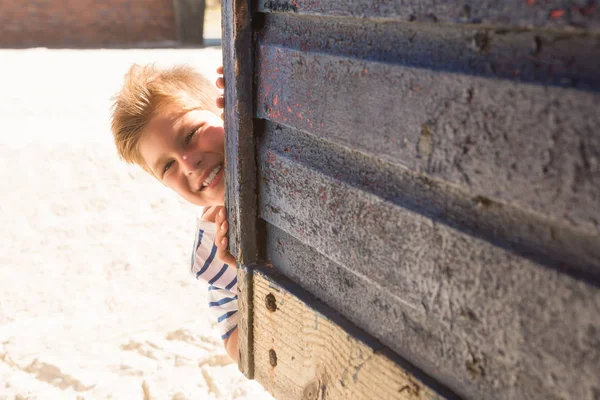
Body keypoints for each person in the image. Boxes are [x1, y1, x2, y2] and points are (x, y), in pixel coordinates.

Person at [110, 64, 239, 361]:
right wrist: (246, 274)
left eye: (192, 133)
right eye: (167, 166)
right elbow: (234, 340)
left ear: (227, 110)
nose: (187, 163)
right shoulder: (212, 249)